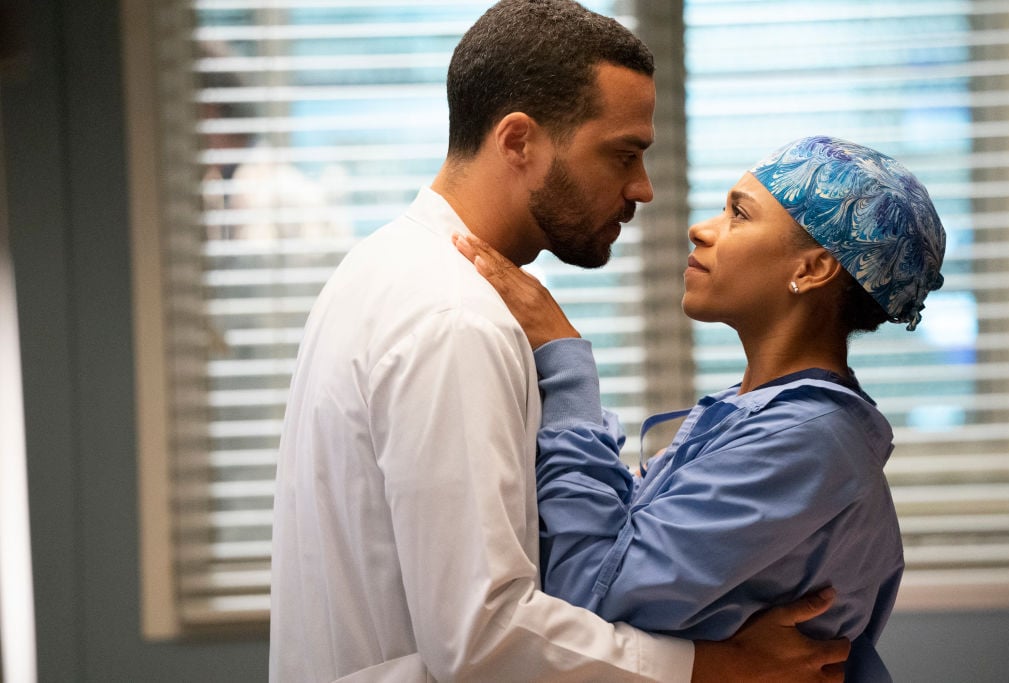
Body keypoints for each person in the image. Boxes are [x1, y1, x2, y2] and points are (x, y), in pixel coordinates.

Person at [270, 1, 850, 680]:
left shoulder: (382, 266)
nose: (644, 189)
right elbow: (481, 635)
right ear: (519, 141)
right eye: (623, 154)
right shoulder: (455, 320)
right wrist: (715, 669)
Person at [455, 134, 947, 682]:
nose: (701, 229)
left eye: (740, 214)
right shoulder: (761, 415)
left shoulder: (808, 439)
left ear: (812, 269)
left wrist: (565, 363)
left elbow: (585, 594)